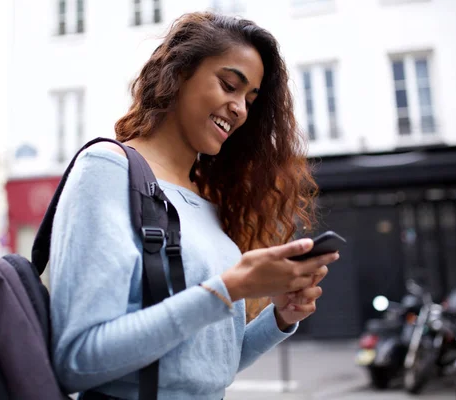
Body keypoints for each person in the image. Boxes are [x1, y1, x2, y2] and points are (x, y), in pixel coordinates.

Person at [49, 11, 340, 400]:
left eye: (249, 99)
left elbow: (201, 369)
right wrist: (228, 289)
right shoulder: (108, 169)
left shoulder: (206, 200)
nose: (239, 108)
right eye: (229, 85)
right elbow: (77, 360)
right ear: (180, 72)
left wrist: (280, 317)